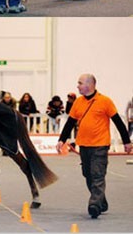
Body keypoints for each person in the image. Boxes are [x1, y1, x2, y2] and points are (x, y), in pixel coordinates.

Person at [56, 74, 132, 219]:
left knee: (97, 175)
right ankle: (101, 200)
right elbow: (70, 122)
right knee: (88, 175)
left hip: (100, 145)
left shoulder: (105, 101)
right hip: (83, 145)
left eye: (80, 83)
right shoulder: (78, 102)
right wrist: (61, 139)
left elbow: (118, 122)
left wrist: (127, 141)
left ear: (90, 84)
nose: (77, 86)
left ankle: (95, 205)